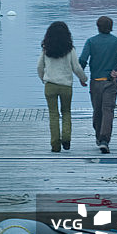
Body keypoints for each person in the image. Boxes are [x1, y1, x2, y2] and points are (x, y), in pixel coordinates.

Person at [78, 15, 117, 154]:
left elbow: (83, 59)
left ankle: (99, 137)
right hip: (110, 82)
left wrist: (81, 76)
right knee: (108, 111)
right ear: (111, 27)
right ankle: (104, 140)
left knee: (97, 111)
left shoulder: (91, 42)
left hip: (95, 82)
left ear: (98, 27)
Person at [37, 21, 88, 153]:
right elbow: (76, 67)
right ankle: (66, 139)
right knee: (66, 112)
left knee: (53, 114)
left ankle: (55, 144)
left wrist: (43, 79)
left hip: (50, 85)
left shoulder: (46, 49)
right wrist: (83, 79)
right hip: (66, 86)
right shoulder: (70, 50)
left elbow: (39, 66)